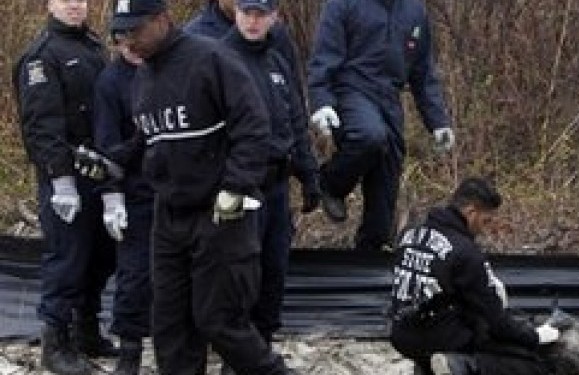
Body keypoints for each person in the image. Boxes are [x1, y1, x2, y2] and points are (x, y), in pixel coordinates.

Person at [102, 0, 294, 373]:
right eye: (120, 33)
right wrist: (113, 161)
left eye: (135, 30)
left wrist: (237, 185)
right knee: (170, 326)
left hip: (220, 210)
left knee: (220, 321)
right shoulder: (143, 77)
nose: (129, 41)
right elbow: (151, 138)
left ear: (161, 19)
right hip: (169, 214)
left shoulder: (210, 59)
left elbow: (253, 124)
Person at [12, 0, 118, 373]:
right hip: (66, 179)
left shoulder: (93, 46)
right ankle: (55, 343)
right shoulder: (41, 57)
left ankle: (87, 329)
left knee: (103, 255)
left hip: (100, 174)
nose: (75, 4)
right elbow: (42, 126)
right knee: (68, 259)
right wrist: (60, 180)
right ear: (49, 4)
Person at [307, 0, 456, 253]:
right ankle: (330, 183)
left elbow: (423, 72)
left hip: (389, 94)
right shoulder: (343, 5)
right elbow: (324, 56)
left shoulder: (414, 10)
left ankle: (372, 248)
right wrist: (321, 101)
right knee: (370, 136)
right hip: (350, 88)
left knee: (388, 169)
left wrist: (438, 122)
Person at [221, 0, 323, 359]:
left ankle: (263, 343)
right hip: (239, 183)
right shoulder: (218, 60)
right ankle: (236, 350)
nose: (253, 21)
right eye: (247, 12)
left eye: (261, 14)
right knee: (239, 269)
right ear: (236, 13)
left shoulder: (277, 61)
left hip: (277, 182)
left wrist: (309, 175)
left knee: (274, 266)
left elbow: (295, 121)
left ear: (274, 17)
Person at [388, 178, 559, 375]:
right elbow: (498, 323)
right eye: (486, 220)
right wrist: (534, 337)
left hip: (401, 333)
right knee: (531, 365)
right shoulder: (466, 252)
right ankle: (461, 366)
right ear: (471, 212)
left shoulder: (409, 235)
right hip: (438, 336)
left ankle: (429, 365)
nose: (484, 228)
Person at [90, 42, 153, 375]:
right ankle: (129, 352)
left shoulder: (168, 68)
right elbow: (107, 147)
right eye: (126, 36)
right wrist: (111, 195)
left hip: (178, 191)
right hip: (136, 192)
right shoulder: (110, 82)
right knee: (134, 275)